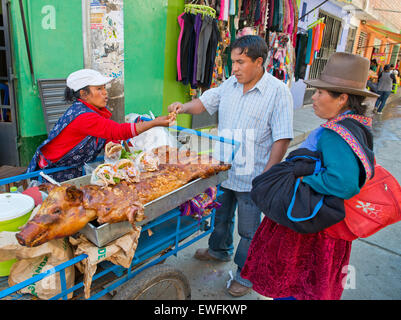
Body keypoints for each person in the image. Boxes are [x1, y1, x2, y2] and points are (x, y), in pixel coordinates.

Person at [240, 52, 378, 300]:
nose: (313, 97)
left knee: (295, 287)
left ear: (342, 98)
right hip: (324, 226)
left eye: (320, 93)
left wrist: (305, 180)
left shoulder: (336, 134)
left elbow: (344, 183)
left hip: (311, 229)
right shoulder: (356, 124)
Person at [168, 35, 294, 297]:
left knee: (249, 231)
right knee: (220, 217)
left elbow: (282, 137)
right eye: (232, 61)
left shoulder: (278, 92)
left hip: (253, 175)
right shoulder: (230, 85)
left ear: (259, 62)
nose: (234, 68)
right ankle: (218, 250)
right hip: (222, 171)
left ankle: (245, 276)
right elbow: (205, 102)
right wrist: (182, 107)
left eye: (240, 62)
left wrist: (268, 175)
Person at [27, 69, 174, 182]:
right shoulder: (84, 116)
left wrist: (113, 143)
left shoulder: (92, 111)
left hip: (74, 168)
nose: (105, 93)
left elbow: (107, 133)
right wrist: (155, 123)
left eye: (104, 88)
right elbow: (117, 131)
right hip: (55, 172)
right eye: (99, 89)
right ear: (84, 94)